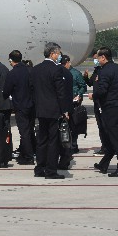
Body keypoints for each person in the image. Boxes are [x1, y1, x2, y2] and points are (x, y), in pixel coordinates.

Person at [92, 47, 118, 177]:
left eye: (98, 57)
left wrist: (94, 95)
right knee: (113, 138)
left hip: (111, 108)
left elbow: (102, 90)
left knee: (116, 139)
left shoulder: (104, 71)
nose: (97, 60)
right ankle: (104, 163)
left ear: (103, 57)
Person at [30, 43, 70, 179]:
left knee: (42, 140)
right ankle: (51, 170)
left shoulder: (36, 69)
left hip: (41, 109)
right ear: (52, 54)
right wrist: (64, 110)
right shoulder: (56, 69)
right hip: (53, 110)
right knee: (53, 141)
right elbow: (60, 92)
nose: (59, 56)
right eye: (58, 54)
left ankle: (39, 168)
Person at [2, 50, 35, 165]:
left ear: (11, 60)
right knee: (30, 130)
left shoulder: (12, 73)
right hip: (32, 105)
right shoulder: (30, 70)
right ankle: (29, 152)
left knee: (24, 132)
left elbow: (6, 92)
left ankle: (28, 156)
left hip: (20, 105)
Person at [63, 55, 86, 154]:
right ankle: (66, 144)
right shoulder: (60, 72)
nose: (64, 66)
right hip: (64, 102)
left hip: (74, 102)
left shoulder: (76, 73)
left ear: (69, 62)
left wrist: (79, 95)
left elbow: (83, 86)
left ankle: (74, 145)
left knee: (74, 124)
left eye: (65, 64)